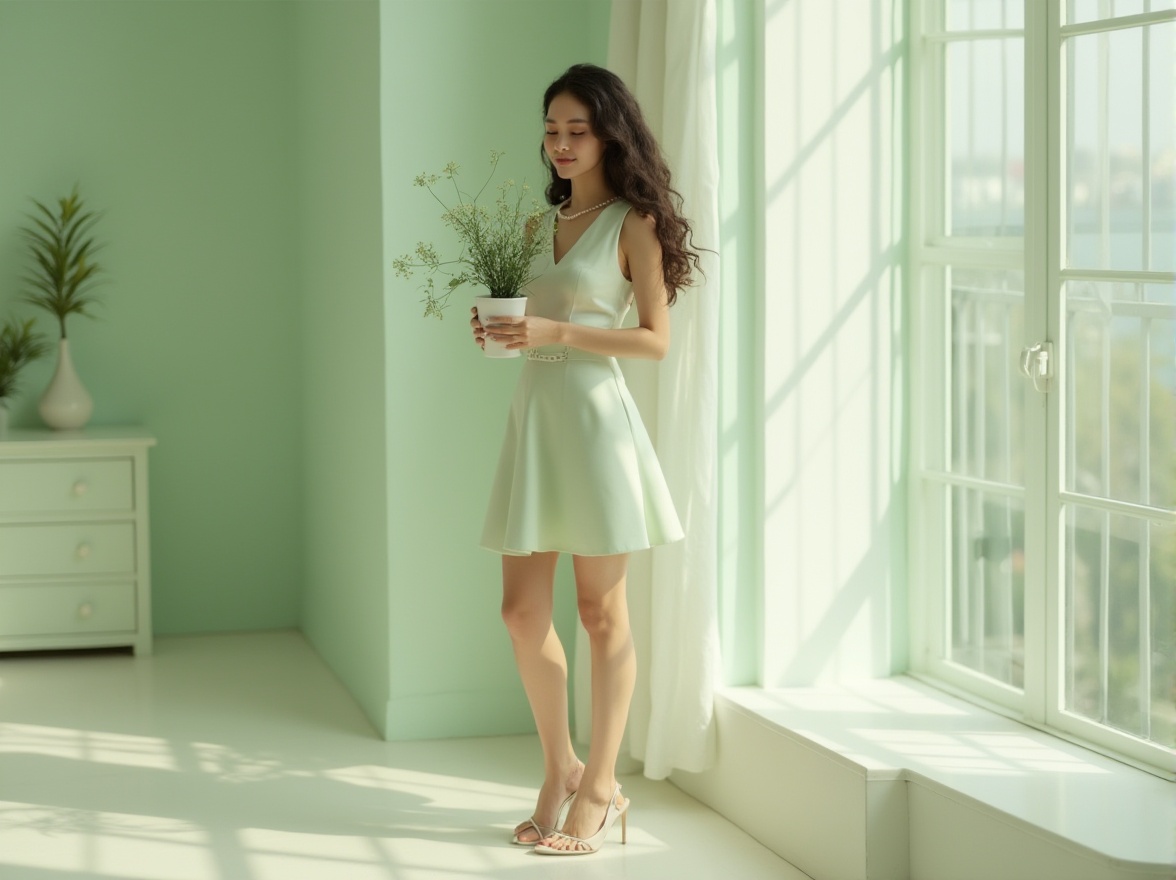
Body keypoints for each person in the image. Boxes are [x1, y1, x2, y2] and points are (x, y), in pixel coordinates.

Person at [470, 62, 702, 856]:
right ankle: (560, 765)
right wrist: (504, 333)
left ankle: (600, 786)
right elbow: (533, 322)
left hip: (598, 425)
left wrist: (559, 333)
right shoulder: (540, 226)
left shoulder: (631, 222)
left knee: (603, 614)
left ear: (610, 133)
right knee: (520, 612)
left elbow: (655, 342)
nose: (561, 144)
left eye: (577, 129)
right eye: (551, 130)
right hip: (536, 419)